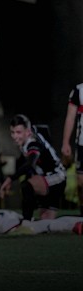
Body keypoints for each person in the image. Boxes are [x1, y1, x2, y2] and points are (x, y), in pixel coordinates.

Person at [0, 114, 66, 221]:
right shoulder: (30, 133)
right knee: (46, 223)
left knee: (27, 185)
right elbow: (44, 129)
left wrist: (10, 179)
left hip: (56, 177)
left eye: (18, 132)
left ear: (28, 132)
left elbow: (30, 164)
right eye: (12, 132)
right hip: (52, 177)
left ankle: (26, 221)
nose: (15, 136)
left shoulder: (33, 143)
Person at [61, 82, 83, 216]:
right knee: (80, 183)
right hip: (82, 144)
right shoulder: (78, 90)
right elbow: (70, 118)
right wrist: (65, 142)